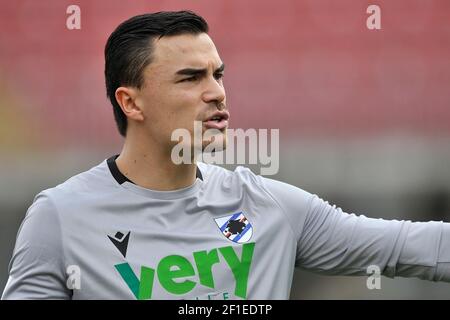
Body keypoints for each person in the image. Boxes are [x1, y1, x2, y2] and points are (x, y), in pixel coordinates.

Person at [2, 10, 450, 300]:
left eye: (218, 74)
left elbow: (409, 247)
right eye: (190, 78)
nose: (216, 92)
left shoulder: (268, 208)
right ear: (130, 103)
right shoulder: (60, 217)